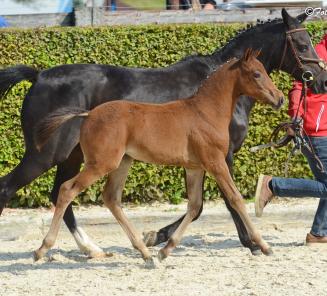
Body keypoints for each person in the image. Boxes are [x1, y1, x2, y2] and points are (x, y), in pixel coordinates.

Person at [255, 33, 327, 244]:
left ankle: (319, 233)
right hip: (316, 130)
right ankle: (273, 185)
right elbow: (298, 87)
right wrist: (295, 117)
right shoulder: (319, 54)